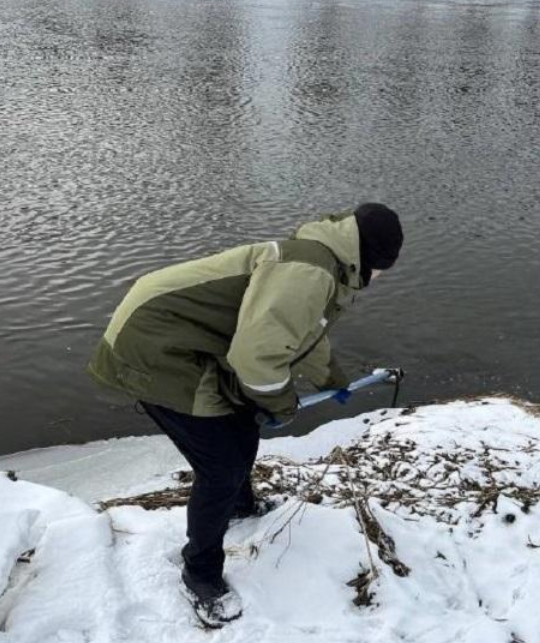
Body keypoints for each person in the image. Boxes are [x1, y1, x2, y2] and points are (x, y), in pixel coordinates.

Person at [86, 203, 403, 628]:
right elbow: (256, 358)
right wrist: (280, 402)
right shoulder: (311, 272)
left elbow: (304, 334)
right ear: (372, 257)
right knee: (220, 466)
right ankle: (200, 573)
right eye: (384, 269)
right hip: (154, 347)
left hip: (187, 340)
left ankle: (240, 505)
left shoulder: (324, 260)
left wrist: (332, 379)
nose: (381, 278)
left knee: (239, 424)